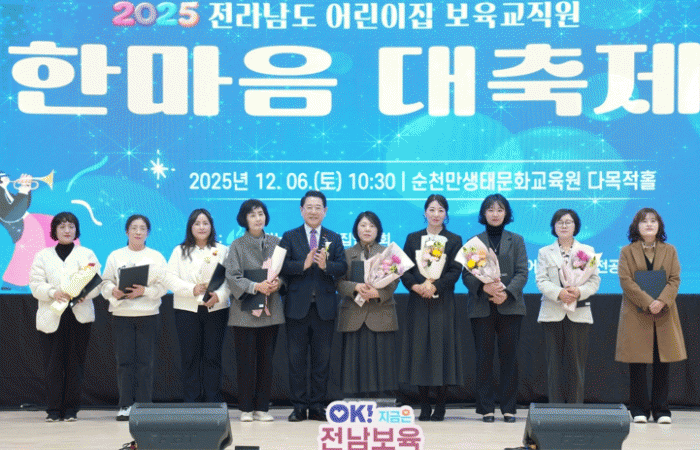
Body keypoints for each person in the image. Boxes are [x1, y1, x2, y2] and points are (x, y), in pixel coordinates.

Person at [279, 190, 347, 422]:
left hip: (324, 309)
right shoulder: (289, 236)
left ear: (325, 211)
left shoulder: (333, 237)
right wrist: (303, 264)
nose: (313, 211)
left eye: (318, 207)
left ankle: (317, 405)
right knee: (296, 360)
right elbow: (281, 267)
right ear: (301, 210)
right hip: (296, 308)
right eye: (309, 207)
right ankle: (299, 406)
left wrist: (327, 266)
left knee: (322, 361)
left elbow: (343, 267)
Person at [615, 208, 685, 424]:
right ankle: (639, 410)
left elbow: (674, 279)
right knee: (637, 363)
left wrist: (661, 301)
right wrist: (648, 302)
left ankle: (661, 410)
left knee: (662, 363)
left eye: (653, 221)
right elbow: (626, 281)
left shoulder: (670, 250)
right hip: (637, 314)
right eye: (644, 221)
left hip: (664, 312)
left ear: (659, 225)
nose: (649, 224)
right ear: (636, 226)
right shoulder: (627, 251)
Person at [29, 212, 101, 422]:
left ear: (76, 230)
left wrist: (84, 294)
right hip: (52, 316)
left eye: (71, 226)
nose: (67, 230)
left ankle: (71, 410)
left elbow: (97, 283)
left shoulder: (87, 254)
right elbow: (35, 284)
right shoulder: (42, 255)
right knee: (53, 365)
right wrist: (53, 292)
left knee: (75, 365)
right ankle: (53, 410)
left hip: (78, 316)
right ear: (54, 230)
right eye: (62, 227)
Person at [463, 194, 528, 423]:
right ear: (484, 213)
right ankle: (486, 408)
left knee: (509, 358)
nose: (495, 214)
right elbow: (466, 275)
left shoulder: (516, 240)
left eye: (500, 210)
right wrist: (484, 288)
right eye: (490, 209)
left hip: (510, 307)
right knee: (484, 359)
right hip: (482, 307)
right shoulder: (474, 241)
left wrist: (506, 293)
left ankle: (509, 408)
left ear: (506, 213)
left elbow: (522, 272)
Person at [400, 194, 464, 422]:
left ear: (446, 214)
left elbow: (455, 271)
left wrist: (435, 286)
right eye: (432, 209)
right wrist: (418, 286)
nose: (436, 214)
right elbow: (404, 268)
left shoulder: (454, 239)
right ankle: (424, 405)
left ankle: (440, 405)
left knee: (441, 351)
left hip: (442, 302)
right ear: (425, 212)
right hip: (418, 301)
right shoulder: (413, 238)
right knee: (420, 352)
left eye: (441, 210)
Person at [101, 214, 167, 421]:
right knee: (124, 361)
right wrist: (113, 290)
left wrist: (144, 291)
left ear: (148, 232)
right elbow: (105, 282)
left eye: (142, 228)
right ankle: (125, 405)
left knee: (145, 362)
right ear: (126, 231)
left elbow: (163, 286)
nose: (138, 232)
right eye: (134, 228)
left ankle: (144, 405)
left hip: (148, 314)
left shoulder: (156, 257)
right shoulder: (115, 256)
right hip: (122, 314)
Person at [225, 199, 284, 422]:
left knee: (266, 362)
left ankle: (262, 408)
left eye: (260, 214)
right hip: (244, 312)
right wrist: (255, 286)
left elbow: (286, 272)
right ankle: (246, 408)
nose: (257, 218)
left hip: (270, 311)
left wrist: (279, 283)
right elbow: (232, 276)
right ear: (244, 219)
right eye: (252, 215)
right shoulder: (237, 245)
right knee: (246, 362)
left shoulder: (276, 243)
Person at [536, 209, 600, 404]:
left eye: (568, 222)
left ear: (575, 226)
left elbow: (594, 281)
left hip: (578, 313)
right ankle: (555, 410)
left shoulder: (586, 250)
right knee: (553, 365)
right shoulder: (544, 252)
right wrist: (559, 293)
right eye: (560, 222)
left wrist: (578, 292)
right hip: (552, 312)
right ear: (554, 226)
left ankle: (575, 409)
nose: (564, 225)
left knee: (576, 365)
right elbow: (541, 280)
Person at [166, 209, 230, 403]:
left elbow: (230, 279)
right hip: (187, 310)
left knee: (212, 357)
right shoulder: (179, 251)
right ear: (190, 227)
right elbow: (169, 279)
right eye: (197, 223)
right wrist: (192, 289)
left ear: (211, 226)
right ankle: (191, 402)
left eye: (205, 223)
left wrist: (219, 296)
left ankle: (213, 401)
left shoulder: (223, 250)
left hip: (215, 309)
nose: (202, 227)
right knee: (190, 357)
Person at [337, 211, 399, 397]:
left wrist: (378, 293)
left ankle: (383, 401)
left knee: (383, 362)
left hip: (381, 313)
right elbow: (338, 282)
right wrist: (355, 287)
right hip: (353, 315)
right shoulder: (346, 253)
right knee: (354, 364)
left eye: (372, 226)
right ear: (356, 229)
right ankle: (355, 402)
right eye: (363, 225)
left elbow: (394, 281)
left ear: (378, 230)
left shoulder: (388, 253)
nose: (367, 229)